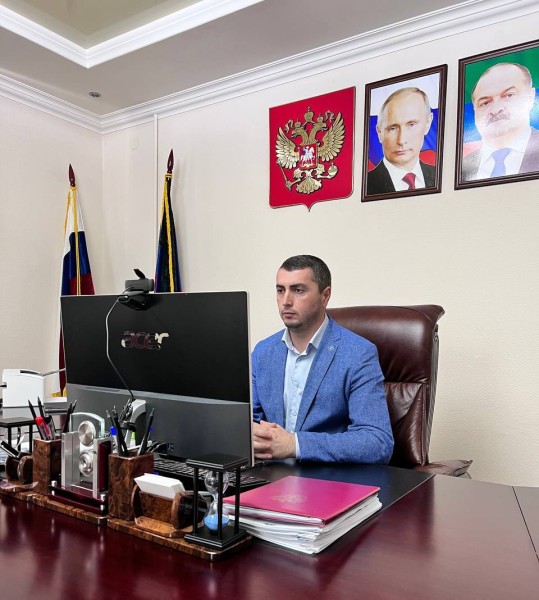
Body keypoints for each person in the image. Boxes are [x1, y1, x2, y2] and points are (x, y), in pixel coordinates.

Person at [251, 255, 394, 464]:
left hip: (325, 478)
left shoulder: (358, 354)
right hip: (267, 475)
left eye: (298, 290)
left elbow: (377, 442)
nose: (286, 301)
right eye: (280, 290)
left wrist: (294, 444)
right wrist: (248, 433)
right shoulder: (263, 352)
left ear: (325, 296)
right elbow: (248, 422)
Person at [462, 62, 539, 181]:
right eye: (485, 103)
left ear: (530, 97)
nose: (496, 109)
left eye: (509, 95)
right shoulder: (461, 168)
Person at [367, 87, 435, 195]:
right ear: (379, 133)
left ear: (428, 123)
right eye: (392, 128)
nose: (401, 140)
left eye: (411, 125)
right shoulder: (365, 185)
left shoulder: (440, 177)